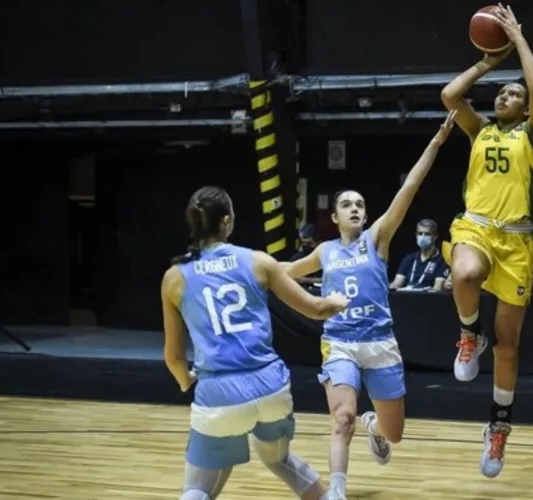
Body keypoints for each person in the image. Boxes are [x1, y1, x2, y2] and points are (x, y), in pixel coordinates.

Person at [282, 111, 457, 500]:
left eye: (360, 204)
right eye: (348, 204)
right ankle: (337, 492)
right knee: (341, 418)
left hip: (380, 343)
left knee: (395, 432)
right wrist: (249, 267)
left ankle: (374, 427)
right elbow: (285, 271)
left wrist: (435, 143)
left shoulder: (377, 237)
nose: (356, 208)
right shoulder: (325, 251)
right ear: (335, 215)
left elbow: (409, 188)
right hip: (340, 341)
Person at [160, 186, 350, 500]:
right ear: (226, 222)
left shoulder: (174, 278)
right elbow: (317, 309)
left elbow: (174, 357)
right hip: (271, 388)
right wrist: (337, 301)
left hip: (219, 394)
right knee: (279, 459)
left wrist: (186, 381)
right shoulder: (258, 262)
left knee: (197, 488)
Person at [439, 3, 533, 479]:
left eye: (512, 93)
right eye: (501, 92)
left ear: (525, 109)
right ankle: (468, 333)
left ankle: (499, 427)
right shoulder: (479, 130)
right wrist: (489, 60)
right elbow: (449, 94)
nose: (504, 95)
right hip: (476, 227)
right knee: (464, 273)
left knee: (507, 346)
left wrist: (518, 39)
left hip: (517, 243)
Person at [389, 218, 449, 292]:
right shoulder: (409, 259)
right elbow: (396, 284)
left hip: (429, 300)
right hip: (405, 299)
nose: (423, 237)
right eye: (420, 233)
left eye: (427, 234)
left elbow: (437, 288)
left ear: (435, 236)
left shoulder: (441, 260)